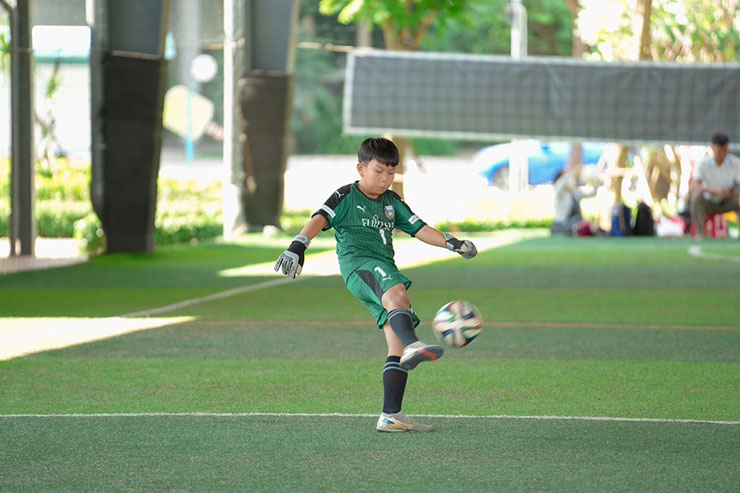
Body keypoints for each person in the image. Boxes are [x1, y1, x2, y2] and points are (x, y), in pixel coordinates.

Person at [274, 137, 478, 433]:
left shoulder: (392, 201)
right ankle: (414, 345)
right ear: (361, 168)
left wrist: (452, 243)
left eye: (391, 173)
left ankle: (391, 415)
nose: (385, 179)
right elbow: (320, 218)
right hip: (359, 266)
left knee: (395, 343)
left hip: (383, 267)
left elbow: (419, 228)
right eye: (379, 171)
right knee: (398, 295)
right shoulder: (345, 195)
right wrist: (298, 245)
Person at [690, 133, 740, 238]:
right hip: (709, 201)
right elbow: (694, 186)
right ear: (713, 148)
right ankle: (700, 231)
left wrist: (730, 192)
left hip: (729, 200)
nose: (722, 154)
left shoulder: (737, 163)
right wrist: (715, 190)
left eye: (725, 151)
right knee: (696, 196)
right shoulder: (703, 164)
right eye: (719, 151)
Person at [550, 164, 597, 236]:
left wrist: (595, 183)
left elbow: (592, 193)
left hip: (576, 222)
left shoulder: (575, 192)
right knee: (574, 224)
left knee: (584, 224)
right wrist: (573, 172)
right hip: (563, 223)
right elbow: (560, 183)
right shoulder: (560, 194)